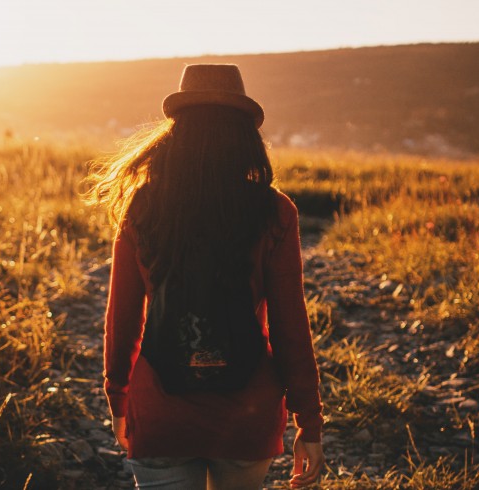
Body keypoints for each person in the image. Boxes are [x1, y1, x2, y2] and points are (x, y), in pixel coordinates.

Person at [88, 64, 324, 489]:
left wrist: (118, 399)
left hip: (160, 411)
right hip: (245, 418)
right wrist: (309, 422)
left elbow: (122, 318)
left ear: (176, 134)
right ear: (244, 136)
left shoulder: (142, 208)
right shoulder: (273, 211)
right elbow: (291, 326)